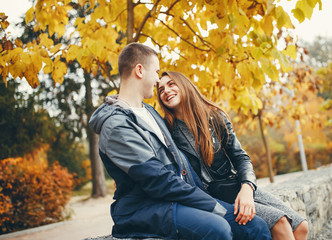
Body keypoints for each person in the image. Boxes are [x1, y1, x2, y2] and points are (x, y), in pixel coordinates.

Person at [89, 43, 272, 240]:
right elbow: (158, 180)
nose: (158, 80)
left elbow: (180, 160)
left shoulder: (149, 111)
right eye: (157, 72)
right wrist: (210, 204)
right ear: (140, 70)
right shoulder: (116, 125)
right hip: (146, 207)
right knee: (217, 228)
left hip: (178, 199)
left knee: (255, 226)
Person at [157, 71, 309, 240]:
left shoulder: (215, 117)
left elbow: (240, 157)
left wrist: (247, 187)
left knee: (301, 226)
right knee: (279, 222)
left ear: (184, 85)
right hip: (213, 196)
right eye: (161, 89)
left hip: (236, 185)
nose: (166, 91)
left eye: (171, 84)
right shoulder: (167, 130)